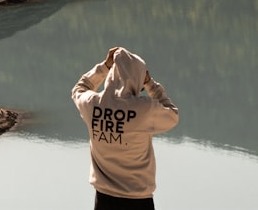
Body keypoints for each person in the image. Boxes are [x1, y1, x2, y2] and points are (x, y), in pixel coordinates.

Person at [72, 46, 180, 209]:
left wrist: (104, 66)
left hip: (103, 200)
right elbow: (172, 115)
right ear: (137, 78)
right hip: (138, 201)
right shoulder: (144, 109)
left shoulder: (92, 104)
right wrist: (151, 84)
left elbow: (79, 89)